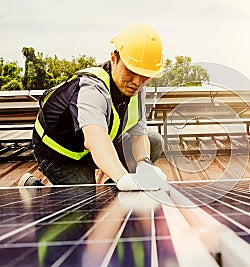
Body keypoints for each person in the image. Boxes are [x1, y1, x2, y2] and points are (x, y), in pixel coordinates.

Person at [19, 22, 167, 191]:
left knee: (154, 141)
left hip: (95, 146)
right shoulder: (92, 88)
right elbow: (95, 139)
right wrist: (122, 177)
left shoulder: (136, 87)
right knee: (83, 203)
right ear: (114, 58)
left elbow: (139, 136)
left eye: (145, 76)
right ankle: (33, 189)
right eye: (131, 71)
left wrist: (144, 164)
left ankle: (116, 189)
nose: (137, 82)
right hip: (61, 154)